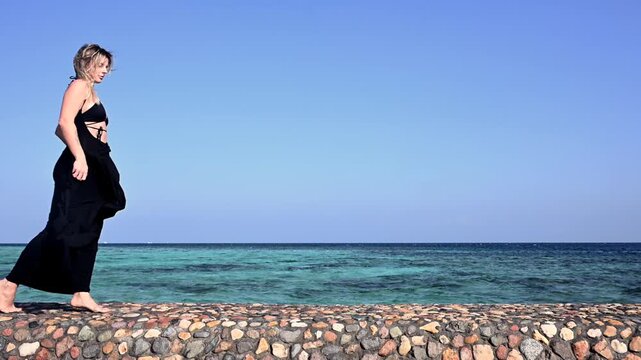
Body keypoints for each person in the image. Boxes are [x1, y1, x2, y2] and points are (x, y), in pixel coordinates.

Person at [0, 44, 126, 313]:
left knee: (90, 228)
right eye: (100, 65)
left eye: (107, 66)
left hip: (97, 161)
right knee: (60, 228)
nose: (105, 71)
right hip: (80, 165)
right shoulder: (79, 86)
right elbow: (64, 123)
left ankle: (81, 292)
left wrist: (94, 153)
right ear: (86, 63)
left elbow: (66, 129)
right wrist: (79, 155)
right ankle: (8, 285)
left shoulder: (91, 91)